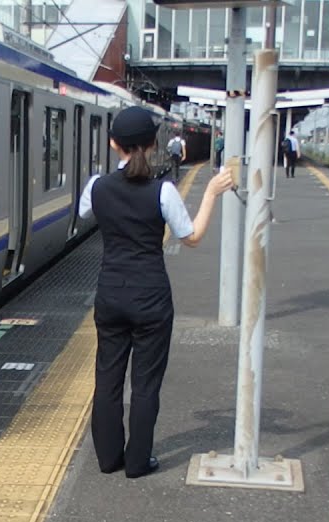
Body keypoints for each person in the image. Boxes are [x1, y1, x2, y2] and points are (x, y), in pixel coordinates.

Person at [78, 107, 234, 478]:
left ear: (114, 143)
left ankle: (107, 459)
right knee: (146, 383)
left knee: (107, 379)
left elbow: (86, 214)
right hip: (151, 298)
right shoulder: (162, 190)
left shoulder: (96, 187)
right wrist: (211, 192)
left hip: (111, 293)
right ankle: (137, 462)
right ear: (151, 145)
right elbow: (191, 237)